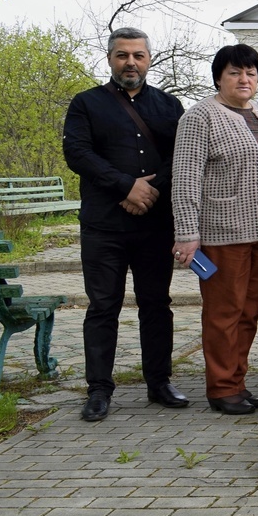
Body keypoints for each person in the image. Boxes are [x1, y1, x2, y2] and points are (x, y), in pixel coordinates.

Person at [63, 26, 186, 422]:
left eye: (138, 55)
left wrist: (149, 191)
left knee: (156, 305)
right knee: (103, 307)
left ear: (149, 59)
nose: (130, 62)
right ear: (110, 58)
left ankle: (159, 382)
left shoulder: (170, 106)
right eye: (122, 55)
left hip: (154, 226)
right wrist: (125, 186)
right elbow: (77, 153)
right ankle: (99, 389)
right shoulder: (86, 104)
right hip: (103, 227)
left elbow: (181, 156)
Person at [172, 44, 258, 415]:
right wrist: (187, 233)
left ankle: (237, 382)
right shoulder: (200, 116)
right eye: (235, 73)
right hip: (224, 231)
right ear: (219, 78)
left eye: (251, 72)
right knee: (224, 312)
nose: (245, 79)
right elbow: (185, 179)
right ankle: (221, 388)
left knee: (249, 311)